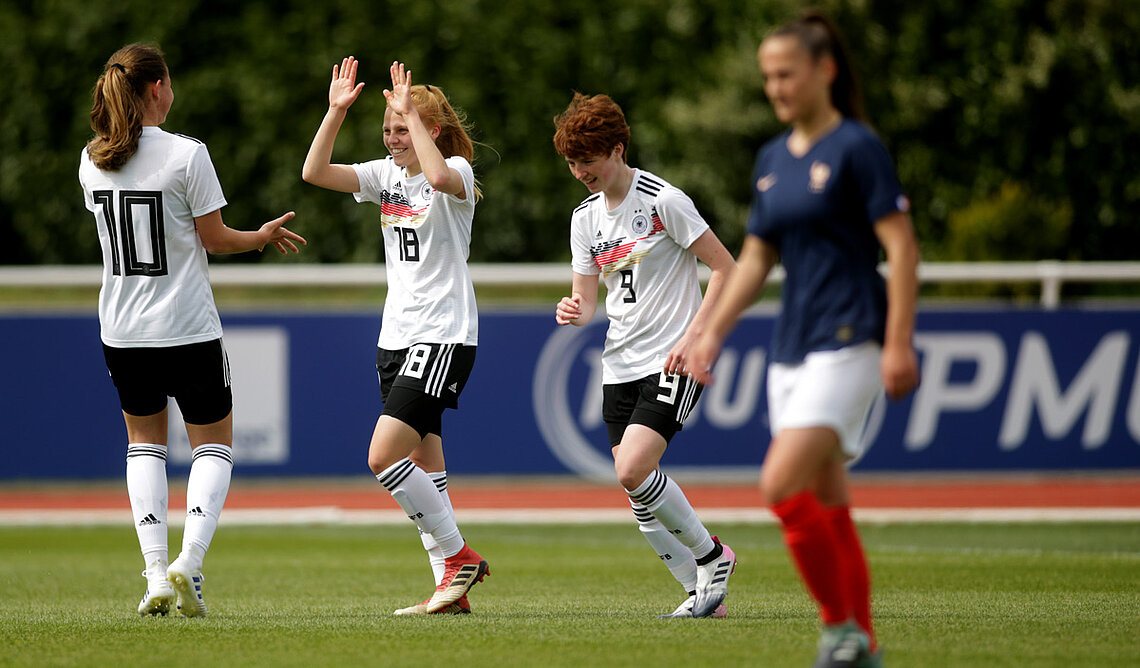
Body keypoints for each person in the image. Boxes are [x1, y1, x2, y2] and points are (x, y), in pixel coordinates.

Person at [688, 10, 920, 667]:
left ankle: (838, 630)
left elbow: (902, 250)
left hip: (851, 339)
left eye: (787, 73)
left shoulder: (856, 147)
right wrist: (710, 333)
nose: (777, 87)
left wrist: (899, 341)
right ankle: (862, 644)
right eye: (768, 77)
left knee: (780, 486)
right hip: (791, 348)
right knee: (829, 504)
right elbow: (756, 260)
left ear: (825, 71)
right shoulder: (771, 159)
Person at [78, 43, 306, 617]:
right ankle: (190, 563)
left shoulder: (91, 158)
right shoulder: (186, 155)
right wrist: (260, 236)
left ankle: (154, 572)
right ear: (157, 88)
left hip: (123, 329)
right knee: (213, 445)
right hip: (184, 326)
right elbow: (215, 238)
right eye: (170, 83)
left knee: (143, 445)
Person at [302, 58, 487, 615]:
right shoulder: (386, 176)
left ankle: (459, 559)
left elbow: (438, 178)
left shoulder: (456, 171)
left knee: (384, 457)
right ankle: (448, 589)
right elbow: (315, 172)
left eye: (402, 126)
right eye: (388, 127)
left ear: (430, 130)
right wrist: (335, 112)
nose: (391, 135)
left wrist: (414, 113)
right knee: (428, 463)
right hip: (397, 338)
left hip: (443, 334)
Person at [552, 93, 739, 619]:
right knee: (636, 487)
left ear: (616, 149)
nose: (579, 171)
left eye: (587, 159)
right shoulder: (584, 219)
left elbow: (728, 268)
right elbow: (588, 301)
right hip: (619, 363)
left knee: (634, 467)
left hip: (673, 357)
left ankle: (712, 556)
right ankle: (700, 596)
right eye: (571, 162)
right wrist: (574, 308)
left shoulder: (663, 201)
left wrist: (694, 335)